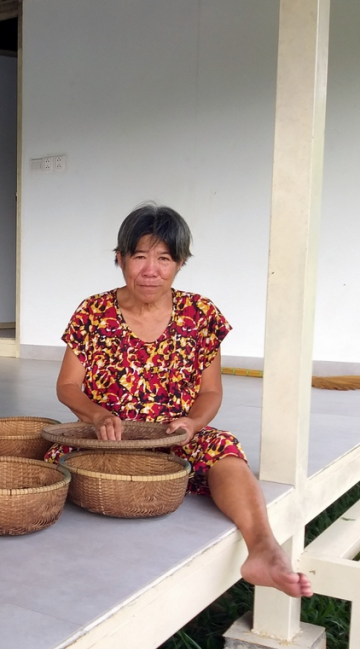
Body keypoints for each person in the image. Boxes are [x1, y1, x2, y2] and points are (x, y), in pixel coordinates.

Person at [51, 203, 312, 599]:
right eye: (139, 257)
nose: (150, 270)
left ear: (181, 263)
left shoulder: (200, 314)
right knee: (57, 457)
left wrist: (193, 423)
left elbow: (210, 391)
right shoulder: (93, 312)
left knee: (223, 448)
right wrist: (97, 413)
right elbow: (68, 386)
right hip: (109, 435)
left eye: (164, 259)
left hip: (176, 435)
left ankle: (263, 547)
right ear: (119, 259)